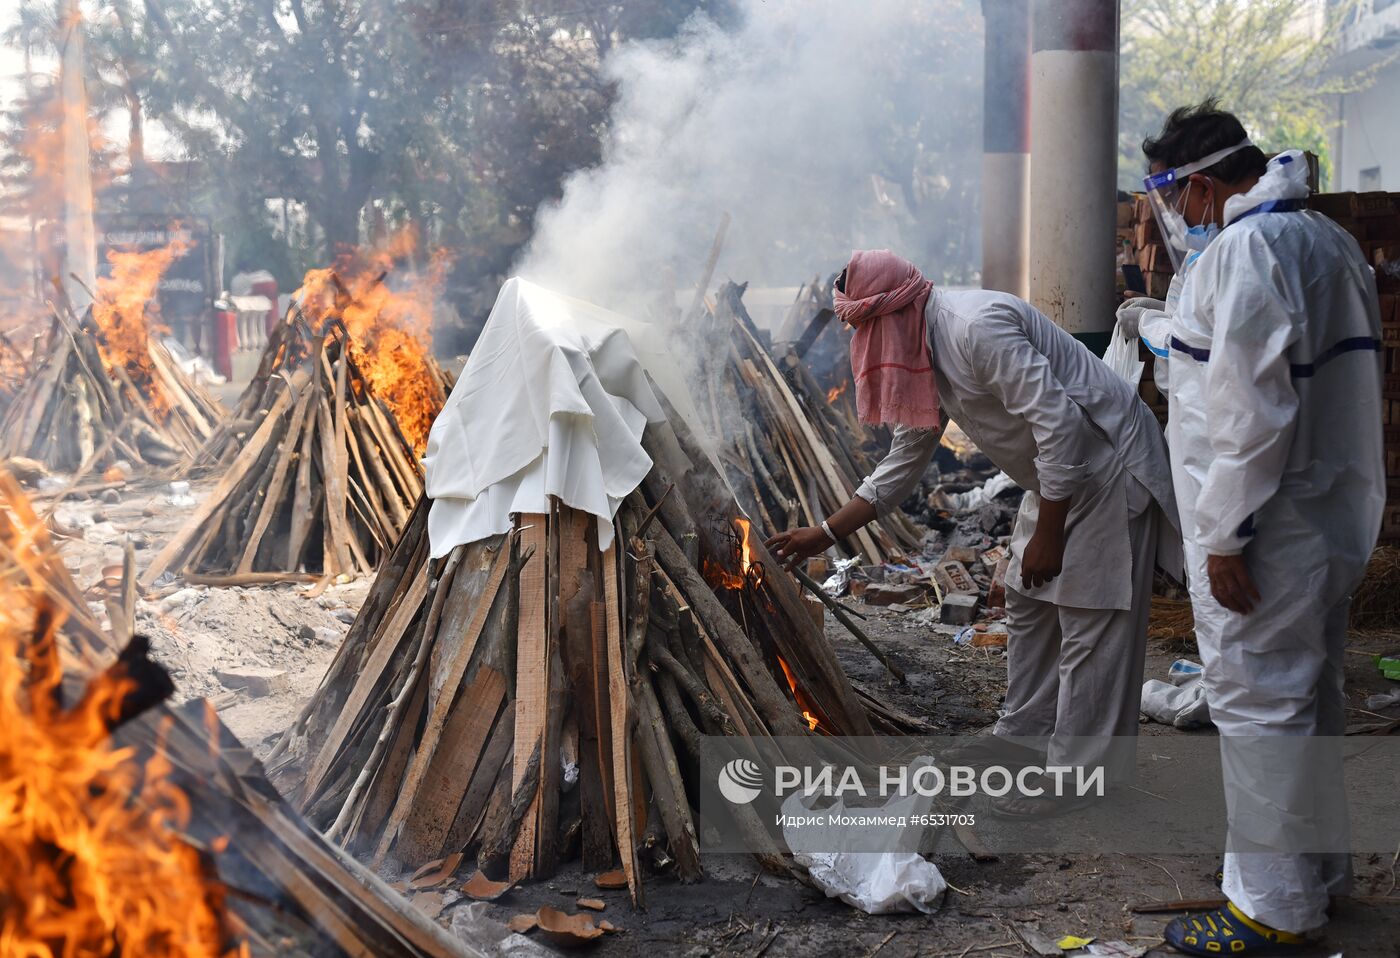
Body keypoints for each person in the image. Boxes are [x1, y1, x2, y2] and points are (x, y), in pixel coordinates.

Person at [765, 249, 1179, 815]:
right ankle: (1023, 733)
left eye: (865, 329)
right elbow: (907, 454)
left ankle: (1078, 778)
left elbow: (1059, 422)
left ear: (896, 311)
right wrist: (825, 531)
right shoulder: (920, 349)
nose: (862, 346)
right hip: (1054, 473)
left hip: (1104, 463)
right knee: (1030, 603)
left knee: (1090, 619)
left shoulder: (973, 329)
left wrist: (1049, 535)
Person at [1138, 101, 1385, 955]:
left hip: (1264, 530)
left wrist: (1223, 540)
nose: (1175, 213)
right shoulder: (1327, 243)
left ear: (1199, 184)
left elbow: (1248, 419)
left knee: (1258, 710)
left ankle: (1270, 908)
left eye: (1173, 195)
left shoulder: (1243, 255)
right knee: (1309, 702)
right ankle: (1315, 879)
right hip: (1322, 520)